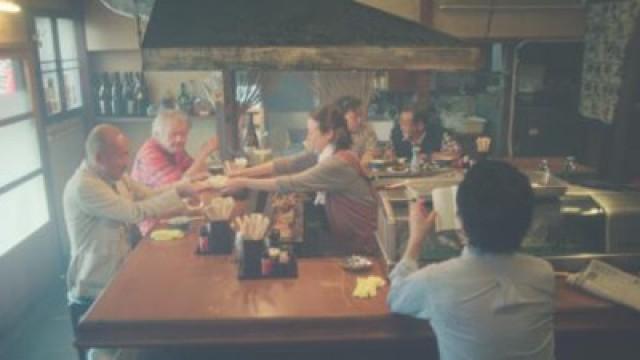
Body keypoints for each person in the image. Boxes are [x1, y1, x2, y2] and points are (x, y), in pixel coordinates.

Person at [64, 124, 211, 360]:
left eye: (127, 153)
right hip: (95, 279)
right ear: (100, 157)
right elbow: (134, 212)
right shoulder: (85, 186)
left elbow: (150, 194)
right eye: (122, 155)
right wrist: (179, 193)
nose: (127, 161)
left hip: (120, 267)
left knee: (174, 287)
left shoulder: (116, 175)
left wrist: (182, 188)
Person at [388, 160, 555, 360]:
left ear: (461, 221)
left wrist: (416, 239)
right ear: (527, 222)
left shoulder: (436, 281)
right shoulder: (543, 274)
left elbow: (396, 297)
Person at [222, 104, 377, 255]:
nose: (307, 137)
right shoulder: (326, 154)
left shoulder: (337, 164)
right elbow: (286, 164)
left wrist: (244, 182)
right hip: (347, 238)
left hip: (360, 245)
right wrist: (242, 172)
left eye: (311, 132)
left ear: (329, 133)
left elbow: (292, 183)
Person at [131, 110, 218, 234]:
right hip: (154, 224)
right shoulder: (149, 154)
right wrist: (204, 153)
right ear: (157, 134)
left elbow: (196, 174)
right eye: (173, 134)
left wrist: (198, 174)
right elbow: (179, 188)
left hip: (174, 214)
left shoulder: (173, 148)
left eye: (183, 134)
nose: (179, 139)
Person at [335, 95, 378, 168]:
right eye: (355, 117)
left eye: (360, 115)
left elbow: (370, 152)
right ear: (342, 117)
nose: (360, 120)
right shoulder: (332, 132)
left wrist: (368, 155)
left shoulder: (367, 129)